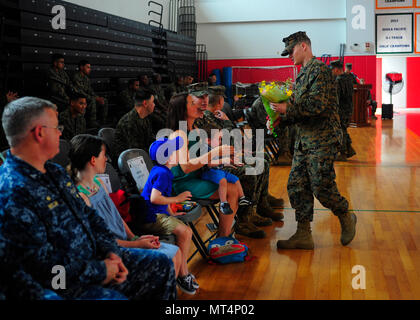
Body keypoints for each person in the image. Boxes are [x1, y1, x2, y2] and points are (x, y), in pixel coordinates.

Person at [0, 97, 177, 299]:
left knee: (159, 264)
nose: (60, 133)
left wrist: (112, 253)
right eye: (57, 128)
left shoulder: (54, 172)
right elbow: (44, 269)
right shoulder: (13, 191)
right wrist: (101, 271)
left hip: (94, 259)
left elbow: (90, 216)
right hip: (63, 283)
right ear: (39, 133)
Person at [270, 31, 357, 250]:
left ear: (303, 47)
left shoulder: (320, 71)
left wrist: (287, 109)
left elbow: (316, 106)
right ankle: (303, 234)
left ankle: (345, 214)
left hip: (322, 140)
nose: (289, 56)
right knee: (297, 185)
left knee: (321, 186)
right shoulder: (303, 74)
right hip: (304, 141)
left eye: (291, 51)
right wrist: (280, 118)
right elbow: (297, 107)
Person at [68, 134, 186, 286]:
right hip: (112, 251)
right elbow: (98, 241)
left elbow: (116, 216)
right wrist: (136, 245)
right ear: (93, 160)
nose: (106, 159)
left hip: (126, 241)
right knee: (169, 258)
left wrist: (135, 238)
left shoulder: (99, 183)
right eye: (104, 155)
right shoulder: (81, 197)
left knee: (176, 253)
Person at [194, 86, 284, 238]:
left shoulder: (212, 115)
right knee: (250, 170)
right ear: (220, 102)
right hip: (216, 162)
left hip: (224, 156)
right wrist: (228, 122)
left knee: (263, 160)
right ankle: (244, 220)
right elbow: (230, 136)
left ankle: (259, 204)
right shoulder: (207, 117)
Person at [166, 85, 238, 239]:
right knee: (232, 190)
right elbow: (186, 167)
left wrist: (223, 159)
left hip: (197, 176)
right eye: (192, 103)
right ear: (182, 110)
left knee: (234, 188)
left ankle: (223, 237)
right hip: (183, 183)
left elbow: (203, 160)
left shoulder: (194, 130)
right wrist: (216, 152)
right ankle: (223, 239)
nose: (199, 105)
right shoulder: (179, 133)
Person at [141, 137, 199, 295]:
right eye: (175, 151)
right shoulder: (162, 173)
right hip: (151, 217)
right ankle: (183, 274)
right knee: (186, 232)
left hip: (157, 214)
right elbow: (154, 198)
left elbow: (162, 198)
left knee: (184, 230)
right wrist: (178, 199)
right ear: (167, 157)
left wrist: (172, 213)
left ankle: (182, 273)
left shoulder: (164, 171)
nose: (179, 153)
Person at [199, 122, 253, 215]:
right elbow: (209, 164)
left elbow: (221, 162)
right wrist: (224, 160)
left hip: (218, 171)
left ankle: (242, 198)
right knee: (223, 180)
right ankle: (224, 203)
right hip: (209, 172)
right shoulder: (205, 148)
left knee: (235, 179)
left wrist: (229, 163)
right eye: (219, 139)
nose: (220, 141)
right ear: (208, 140)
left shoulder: (215, 148)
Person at [113, 89, 156, 161]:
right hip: (130, 160)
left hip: (140, 155)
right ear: (145, 103)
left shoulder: (145, 117)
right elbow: (135, 151)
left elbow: (150, 140)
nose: (154, 105)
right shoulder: (129, 122)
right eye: (153, 102)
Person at [331, 60, 356, 160]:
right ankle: (349, 149)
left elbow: (337, 98)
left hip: (341, 109)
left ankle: (343, 153)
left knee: (340, 130)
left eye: (333, 69)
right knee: (343, 129)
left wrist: (334, 111)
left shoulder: (338, 81)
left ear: (336, 69)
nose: (332, 71)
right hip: (349, 108)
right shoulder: (349, 78)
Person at [73, 60, 108, 127]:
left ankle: (103, 121)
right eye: (88, 67)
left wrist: (97, 97)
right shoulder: (76, 77)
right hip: (79, 97)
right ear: (81, 67)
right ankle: (92, 122)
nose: (90, 69)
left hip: (86, 97)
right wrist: (95, 98)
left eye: (90, 67)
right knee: (92, 100)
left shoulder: (86, 78)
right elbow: (80, 92)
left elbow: (90, 91)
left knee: (104, 100)